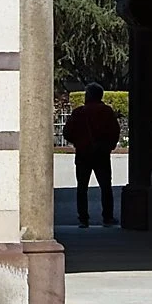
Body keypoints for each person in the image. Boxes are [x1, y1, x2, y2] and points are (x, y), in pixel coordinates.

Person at [63, 83, 120, 228]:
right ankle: (107, 217)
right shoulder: (106, 112)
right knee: (106, 186)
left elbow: (67, 132)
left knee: (82, 187)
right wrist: (109, 146)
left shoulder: (79, 112)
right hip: (101, 153)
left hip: (83, 153)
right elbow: (115, 131)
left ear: (88, 95)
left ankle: (83, 218)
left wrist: (78, 142)